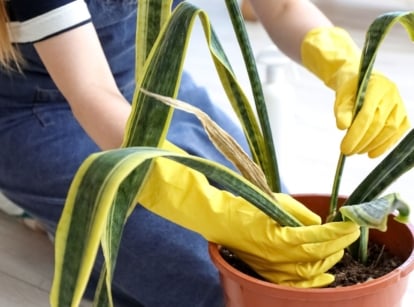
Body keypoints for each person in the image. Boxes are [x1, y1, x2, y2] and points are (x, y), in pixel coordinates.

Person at [0, 0, 408, 306]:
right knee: (210, 283)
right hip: (40, 114)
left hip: (153, 85)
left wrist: (351, 68)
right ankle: (51, 212)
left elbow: (282, 7)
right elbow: (93, 94)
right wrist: (207, 208)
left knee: (280, 230)